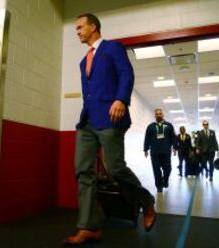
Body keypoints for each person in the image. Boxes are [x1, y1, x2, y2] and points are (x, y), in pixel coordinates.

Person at [63, 13, 156, 246]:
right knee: (83, 172)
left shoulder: (113, 48)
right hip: (87, 122)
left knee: (114, 168)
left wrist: (121, 99)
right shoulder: (83, 62)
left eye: (80, 27)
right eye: (75, 29)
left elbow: (126, 73)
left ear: (93, 27)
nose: (78, 32)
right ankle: (88, 227)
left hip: (111, 117)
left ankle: (146, 200)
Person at [144, 108, 176, 192]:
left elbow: (173, 137)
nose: (158, 115)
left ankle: (165, 180)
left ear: (163, 115)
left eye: (160, 114)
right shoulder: (151, 126)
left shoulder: (169, 125)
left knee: (168, 168)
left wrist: (175, 148)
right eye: (157, 114)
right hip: (154, 152)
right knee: (156, 169)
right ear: (155, 115)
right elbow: (147, 138)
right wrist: (146, 149)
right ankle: (159, 186)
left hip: (166, 151)